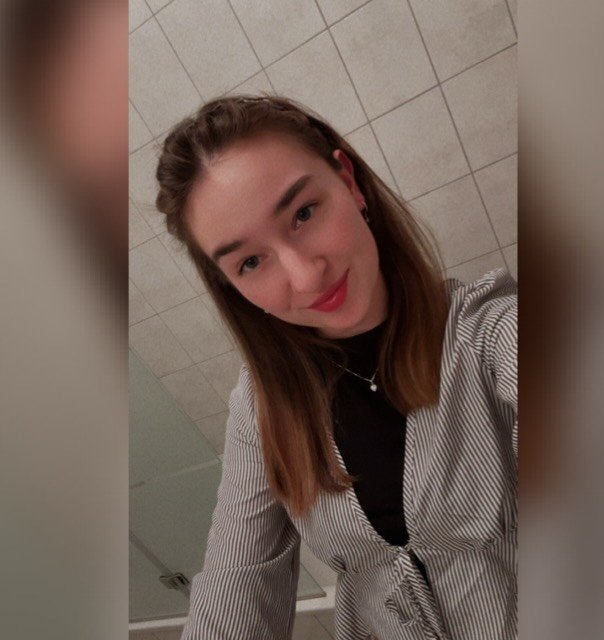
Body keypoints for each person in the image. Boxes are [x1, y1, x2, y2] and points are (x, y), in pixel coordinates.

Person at [155, 95, 517, 640]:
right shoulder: (261, 407)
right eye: (250, 262)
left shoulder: (489, 331)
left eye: (303, 213)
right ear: (232, 286)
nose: (305, 276)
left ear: (349, 182)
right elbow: (237, 578)